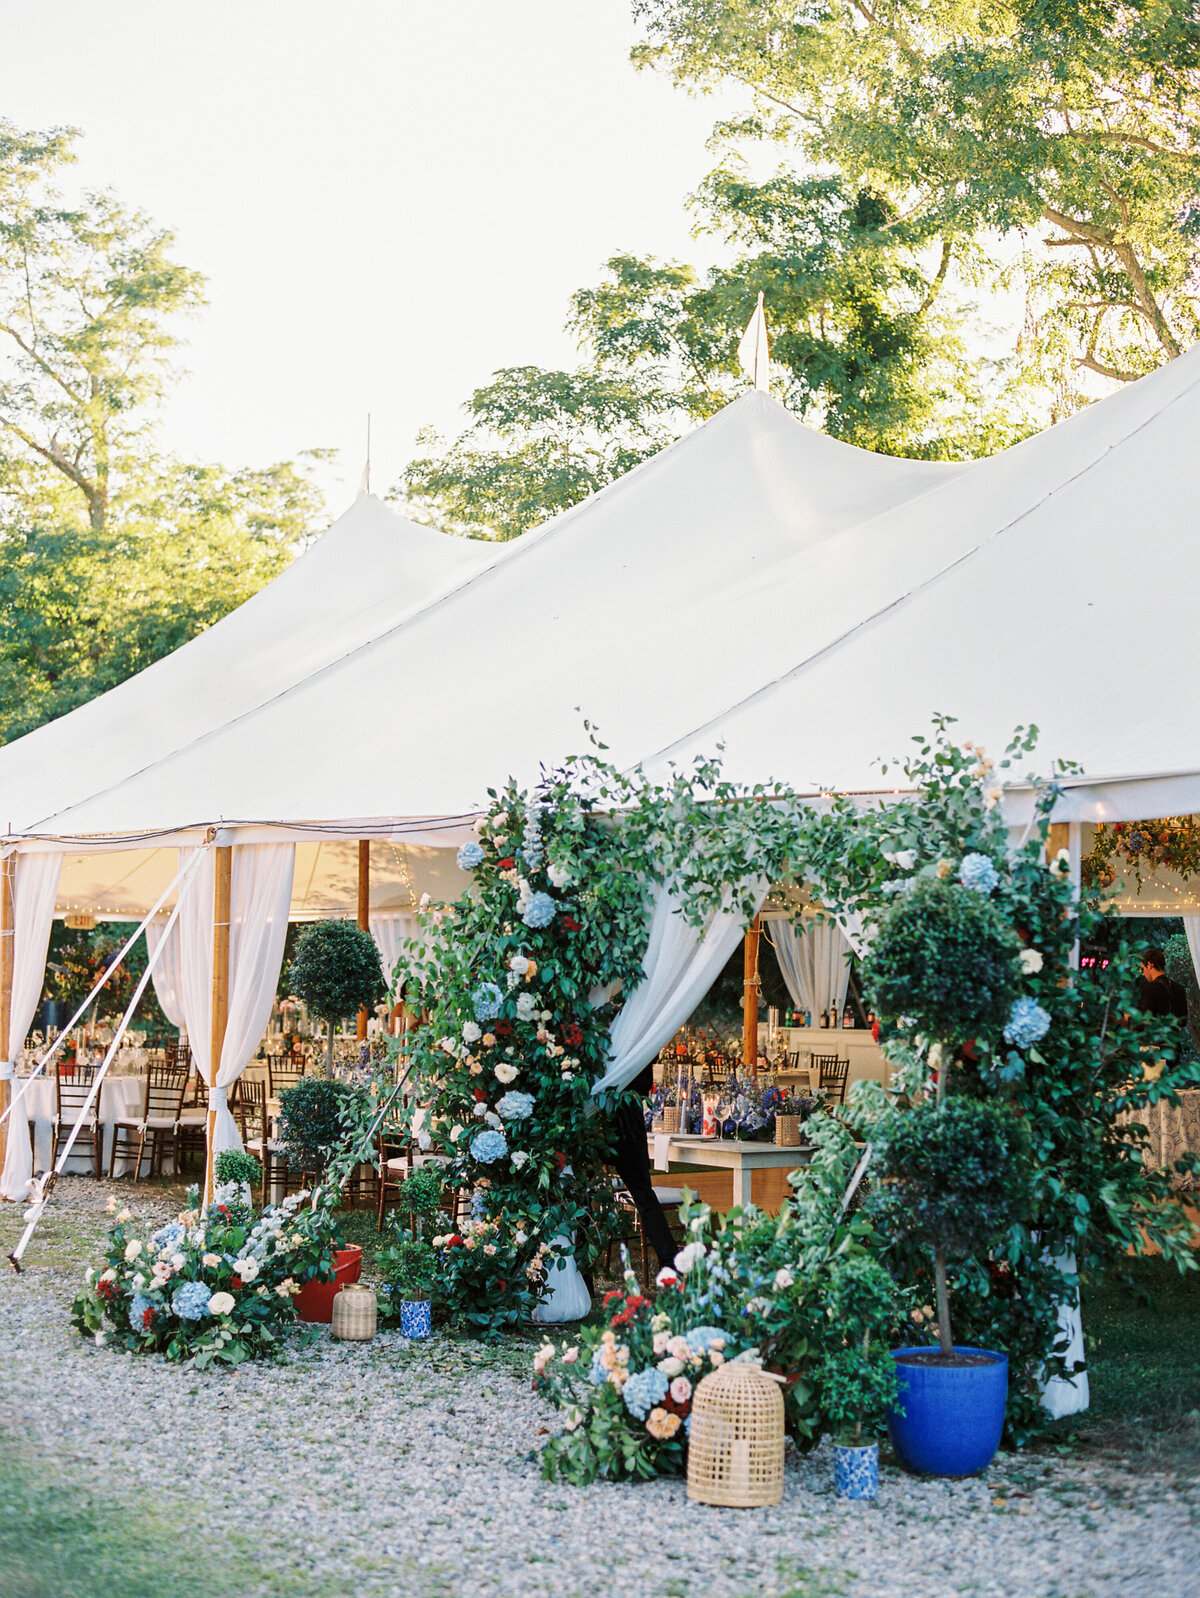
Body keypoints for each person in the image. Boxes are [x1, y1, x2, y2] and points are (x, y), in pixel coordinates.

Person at [607, 1062, 678, 1273]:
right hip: (627, 1122)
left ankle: (669, 1258)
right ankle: (669, 1259)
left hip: (617, 1119)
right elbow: (644, 1086)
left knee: (642, 1194)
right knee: (643, 1195)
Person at [1137, 947, 1189, 1022]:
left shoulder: (1150, 989)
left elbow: (1143, 1022)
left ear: (1149, 965)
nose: (1143, 973)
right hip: (1175, 1033)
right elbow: (1183, 1021)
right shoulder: (1179, 988)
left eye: (1143, 969)